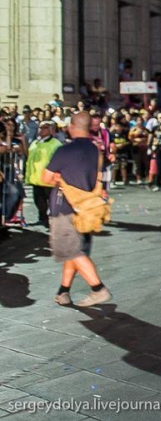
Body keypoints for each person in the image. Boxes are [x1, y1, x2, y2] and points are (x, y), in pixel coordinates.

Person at [41, 112, 111, 307]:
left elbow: (45, 178)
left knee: (70, 251)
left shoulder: (64, 151)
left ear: (71, 126)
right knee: (75, 250)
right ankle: (63, 292)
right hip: (87, 207)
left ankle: (98, 289)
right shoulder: (94, 149)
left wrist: (57, 177)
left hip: (65, 206)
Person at [25, 121, 62, 227]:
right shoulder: (35, 142)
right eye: (40, 127)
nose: (40, 130)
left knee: (52, 201)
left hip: (49, 179)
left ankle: (54, 220)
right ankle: (42, 218)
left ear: (50, 130)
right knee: (39, 201)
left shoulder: (56, 144)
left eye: (44, 128)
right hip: (36, 178)